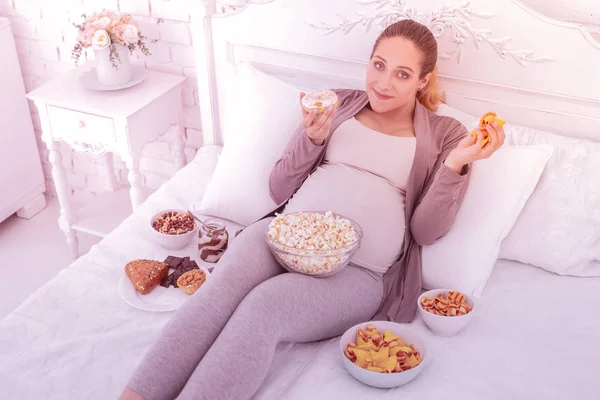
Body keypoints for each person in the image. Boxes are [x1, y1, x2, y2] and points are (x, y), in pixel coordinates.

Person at [120, 19, 505, 400]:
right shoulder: (338, 104)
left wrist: (456, 165)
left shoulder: (448, 135)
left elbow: (426, 231)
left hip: (358, 273)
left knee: (264, 306)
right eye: (378, 65)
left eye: (402, 74)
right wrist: (311, 139)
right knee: (217, 294)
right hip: (280, 237)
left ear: (423, 81)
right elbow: (279, 187)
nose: (384, 83)